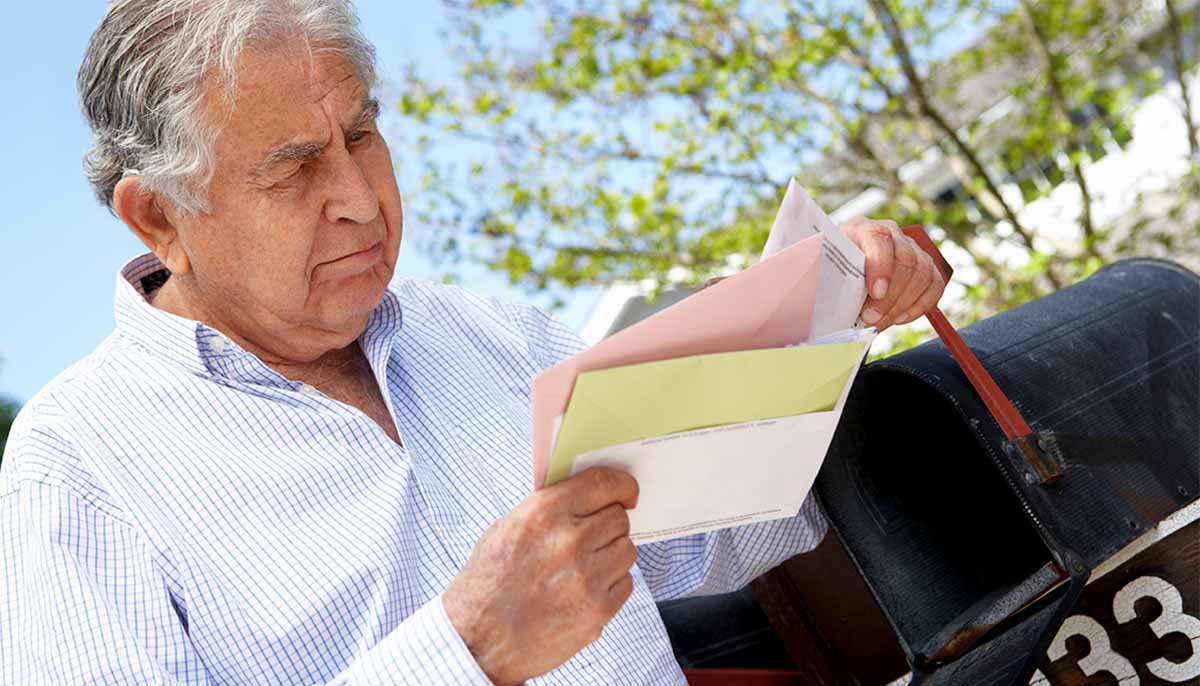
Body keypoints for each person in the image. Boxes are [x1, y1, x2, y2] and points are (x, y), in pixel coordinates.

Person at [0, 1, 945, 684]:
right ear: (159, 217)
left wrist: (824, 314)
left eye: (362, 134)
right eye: (294, 171)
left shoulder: (480, 331)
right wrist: (468, 651)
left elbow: (714, 539)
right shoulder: (75, 469)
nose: (362, 200)